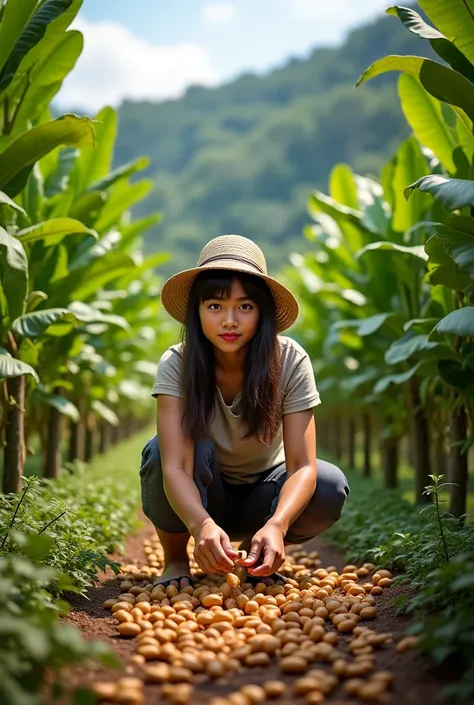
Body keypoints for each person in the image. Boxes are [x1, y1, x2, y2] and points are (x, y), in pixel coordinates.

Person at [140, 234, 349, 588]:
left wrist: (278, 524)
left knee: (329, 485)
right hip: (203, 494)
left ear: (262, 312)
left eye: (245, 307)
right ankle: (175, 560)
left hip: (264, 495)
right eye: (215, 306)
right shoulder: (178, 362)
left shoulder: (290, 359)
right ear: (198, 311)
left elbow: (302, 465)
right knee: (160, 452)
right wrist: (201, 525)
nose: (230, 321)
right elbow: (175, 465)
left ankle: (257, 553)